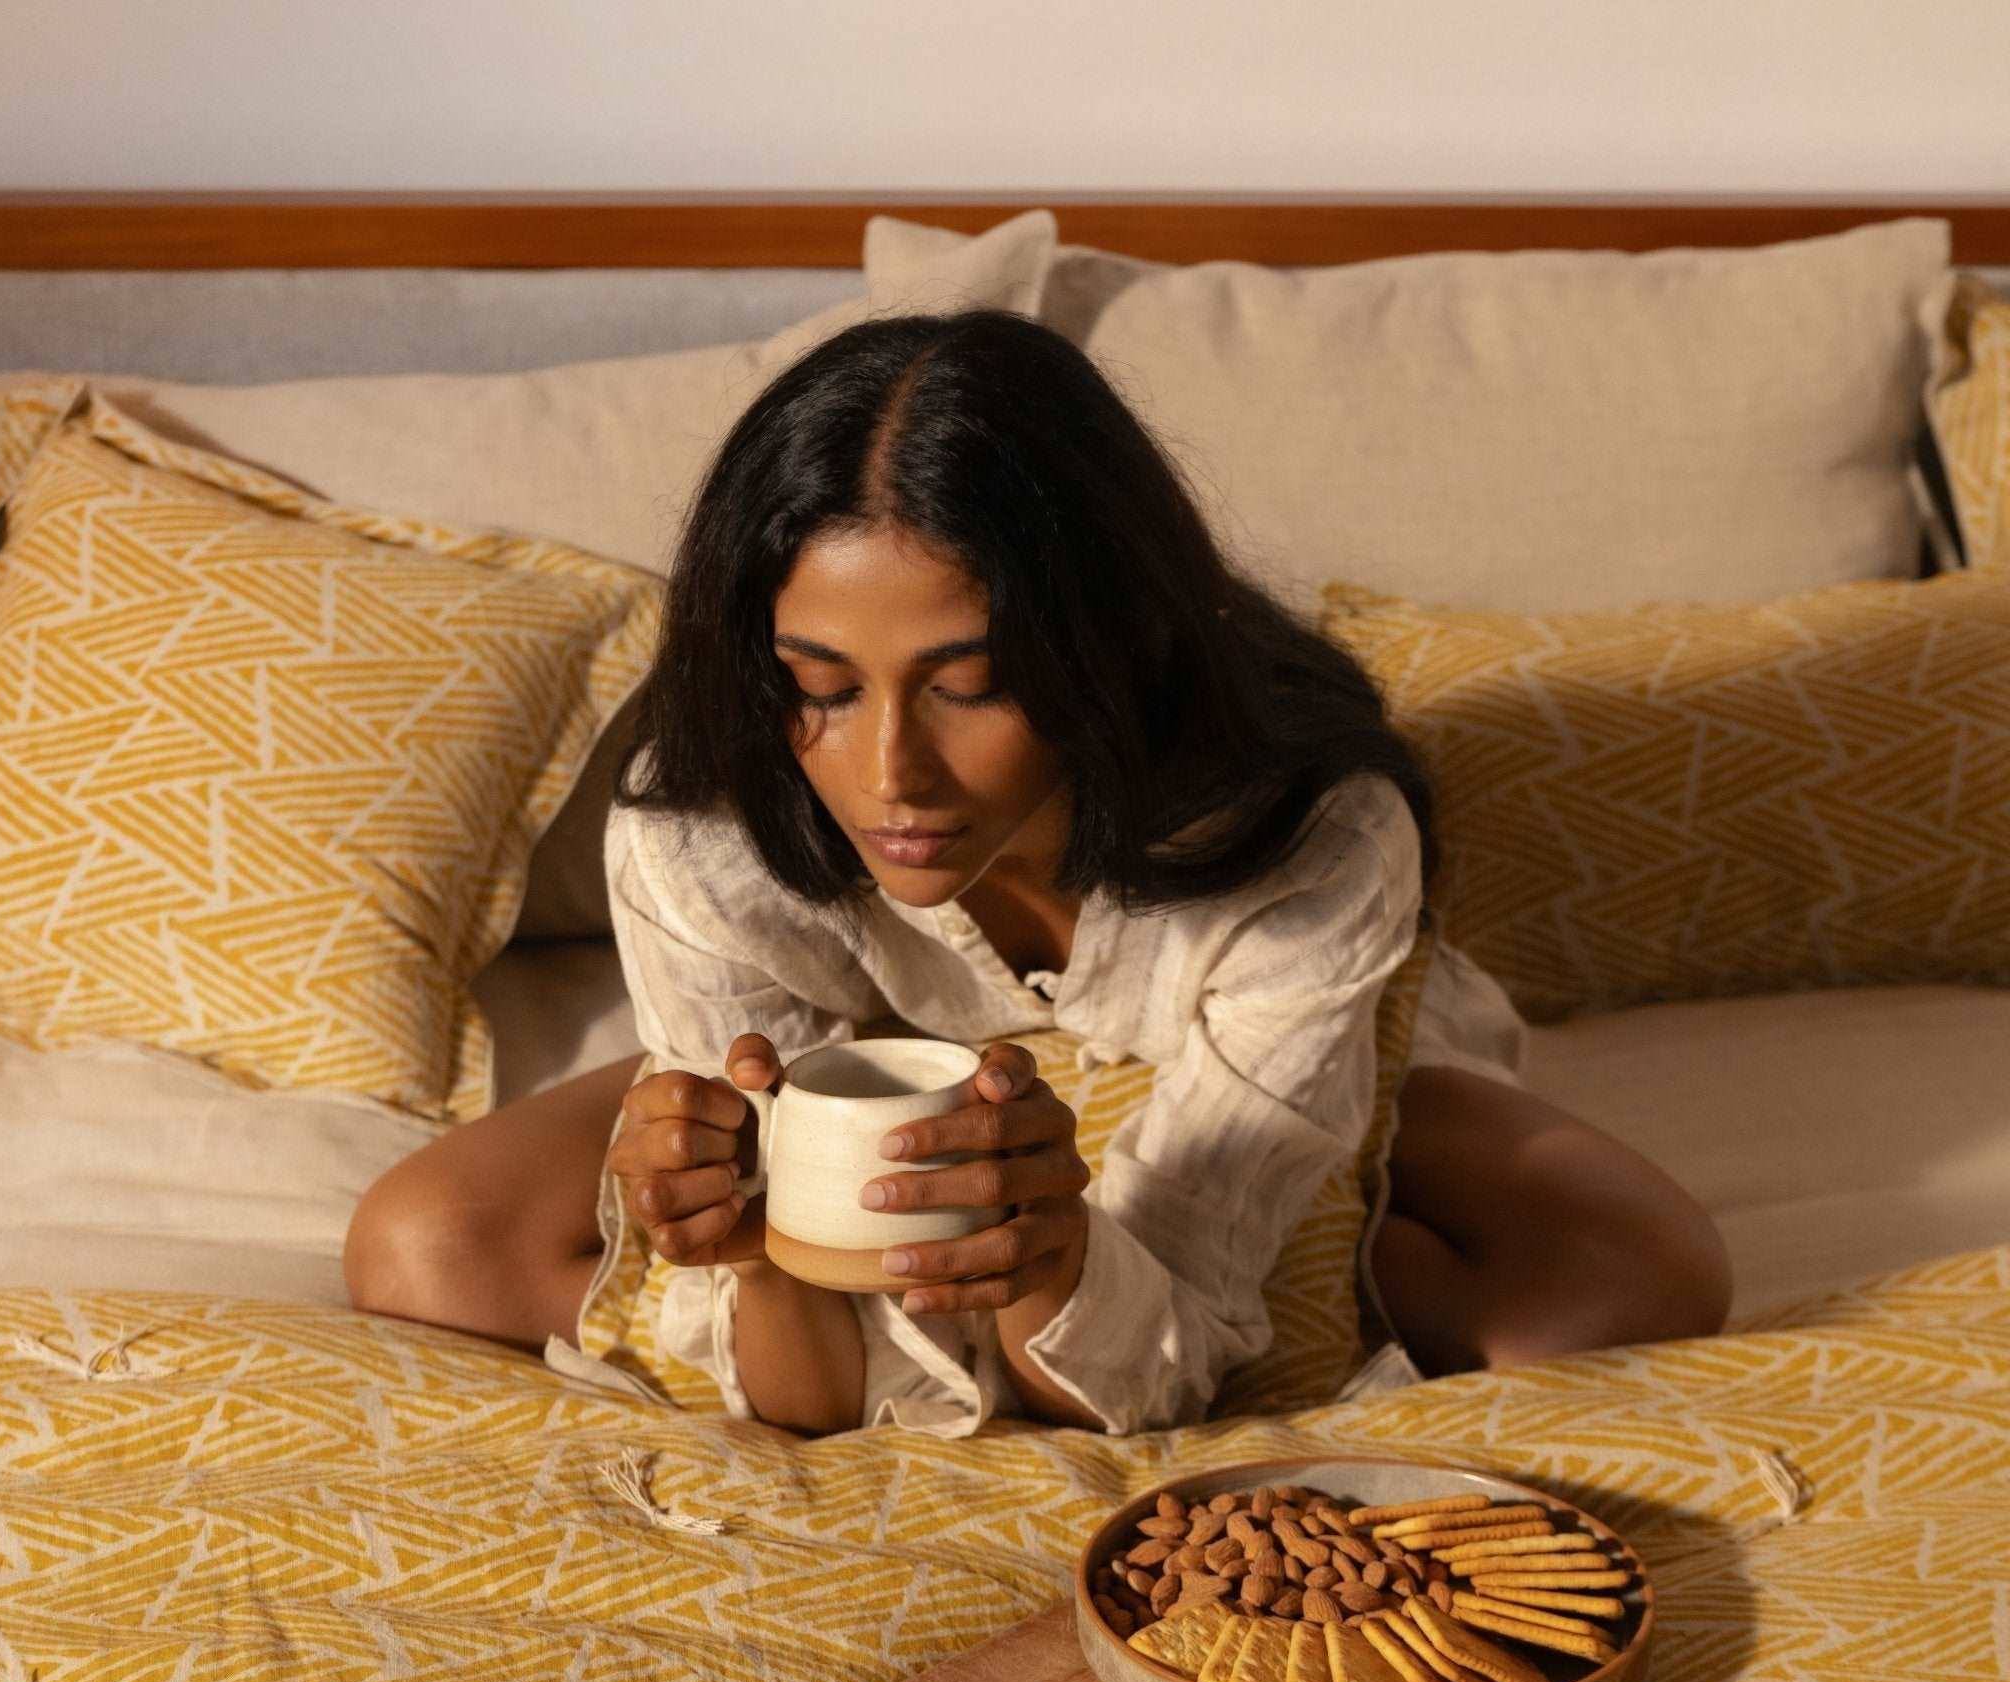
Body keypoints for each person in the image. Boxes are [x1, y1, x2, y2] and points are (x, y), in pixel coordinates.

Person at [343, 309, 1731, 1437]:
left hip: (1231, 1042)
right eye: (820, 686)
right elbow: (806, 1391)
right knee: (421, 1246)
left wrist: (1061, 1253)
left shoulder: (1314, 839)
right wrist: (748, 1240)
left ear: (1104, 646)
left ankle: (1339, 1212)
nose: (892, 774)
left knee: (1622, 1287)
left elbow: (1153, 1362)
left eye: (969, 687)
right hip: (877, 1071)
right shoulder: (701, 831)